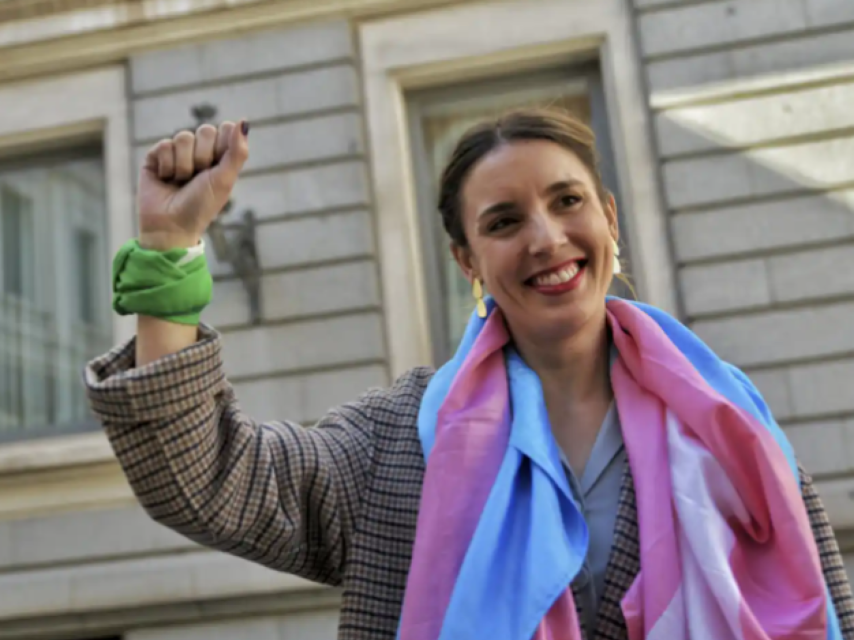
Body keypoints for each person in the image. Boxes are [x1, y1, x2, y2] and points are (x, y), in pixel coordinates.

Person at [86, 109, 854, 640]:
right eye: (504, 222)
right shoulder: (399, 441)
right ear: (468, 262)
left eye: (567, 202)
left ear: (610, 221)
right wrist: (168, 248)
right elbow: (210, 480)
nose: (548, 239)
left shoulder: (729, 427)